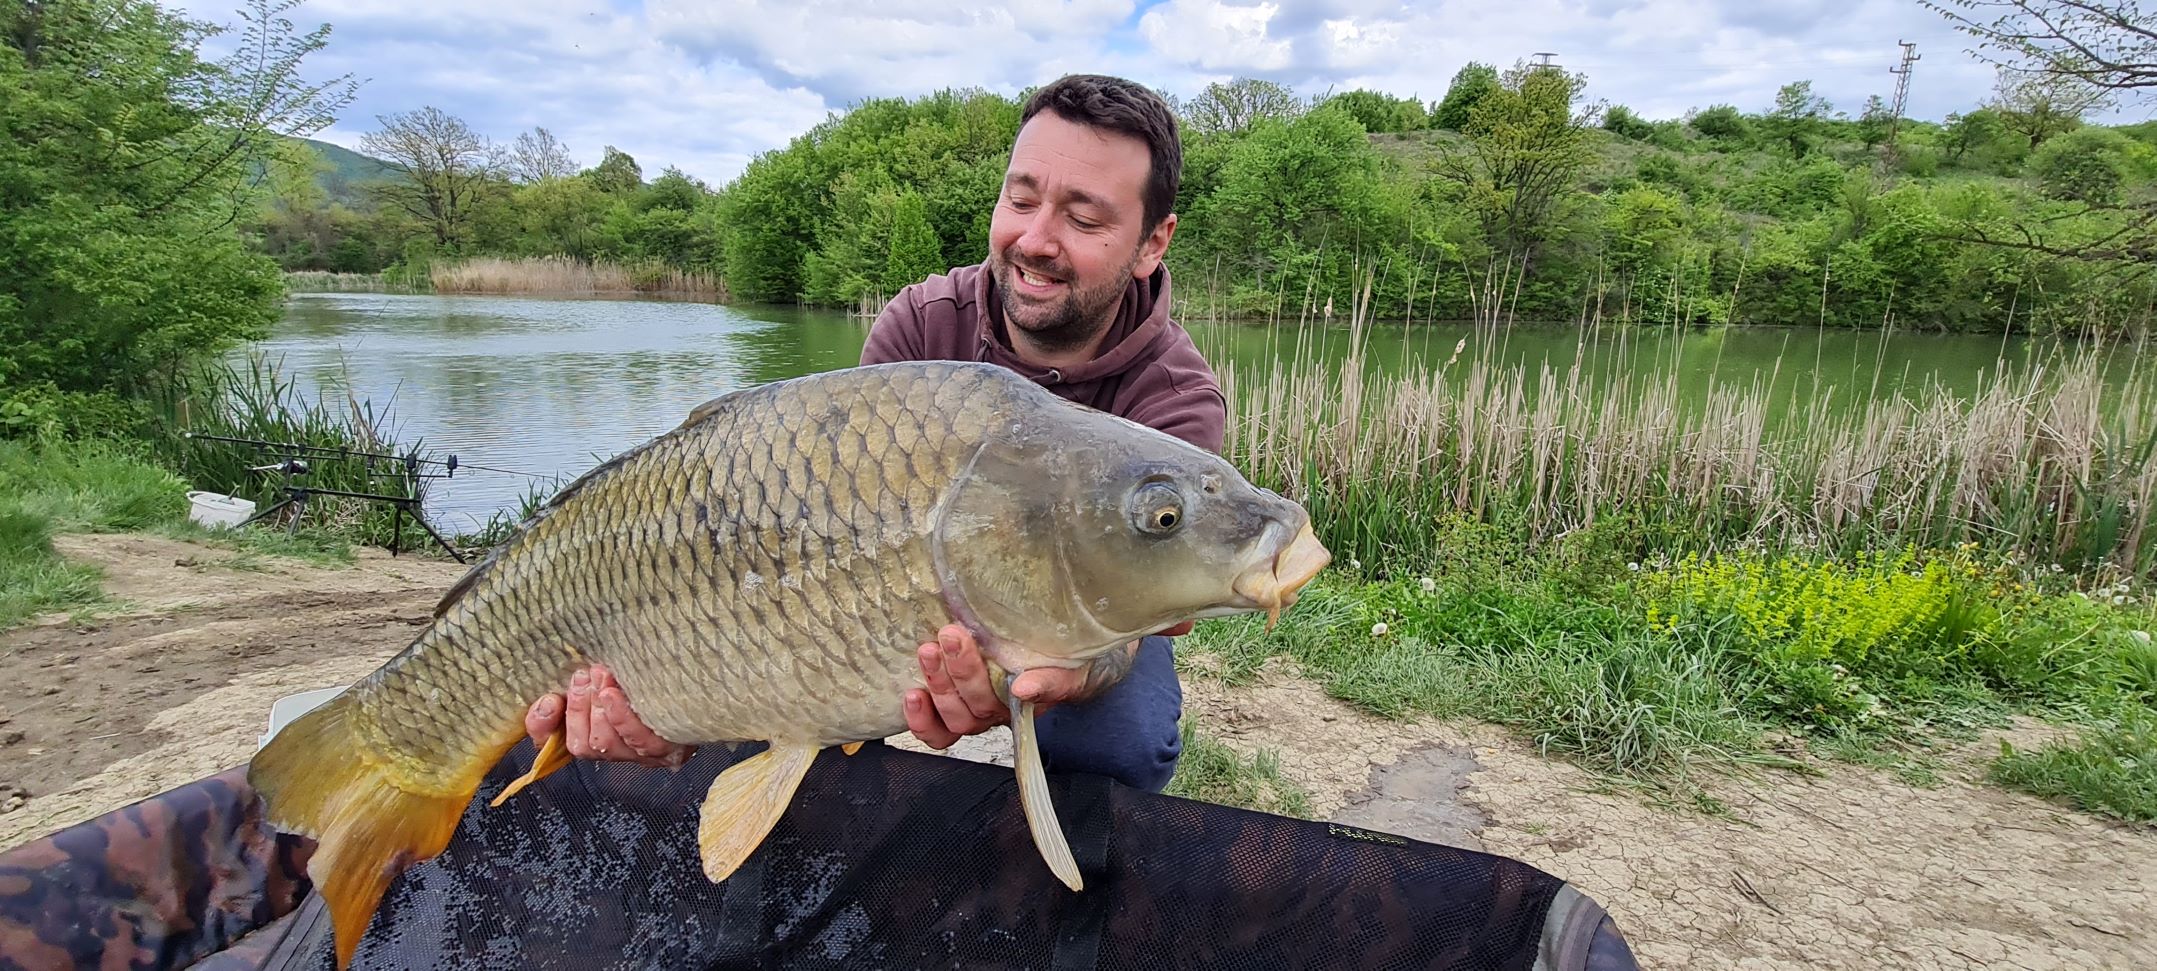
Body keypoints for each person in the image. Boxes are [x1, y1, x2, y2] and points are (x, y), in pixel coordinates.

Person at [520, 73, 1225, 793]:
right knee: (801, 669)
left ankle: (1059, 868)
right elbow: (815, 533)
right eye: (1020, 198)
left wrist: (1059, 675)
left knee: (1120, 737)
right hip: (878, 580)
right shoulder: (922, 324)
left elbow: (1135, 626)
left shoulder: (1174, 398)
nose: (1034, 239)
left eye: (1083, 218)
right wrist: (677, 714)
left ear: (1150, 242)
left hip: (1087, 620)